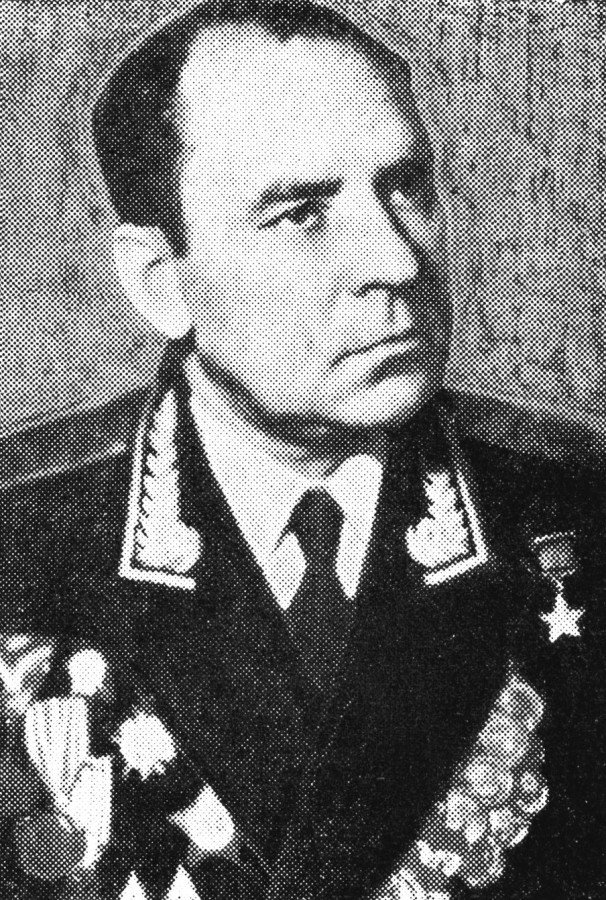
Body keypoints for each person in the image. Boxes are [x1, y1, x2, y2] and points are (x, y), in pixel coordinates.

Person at [0, 2, 605, 898]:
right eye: (301, 214)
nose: (396, 261)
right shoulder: (22, 541)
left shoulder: (575, 510)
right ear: (162, 283)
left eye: (406, 188)